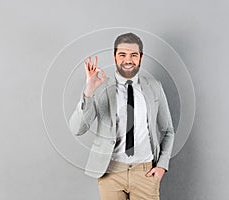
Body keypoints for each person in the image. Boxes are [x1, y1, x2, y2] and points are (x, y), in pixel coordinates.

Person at [69, 32, 175, 200]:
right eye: (122, 55)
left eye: (133, 55)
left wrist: (162, 166)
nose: (128, 60)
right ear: (114, 57)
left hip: (145, 173)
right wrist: (89, 90)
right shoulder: (101, 88)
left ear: (140, 58)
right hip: (111, 173)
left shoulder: (154, 87)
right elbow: (77, 129)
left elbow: (168, 130)